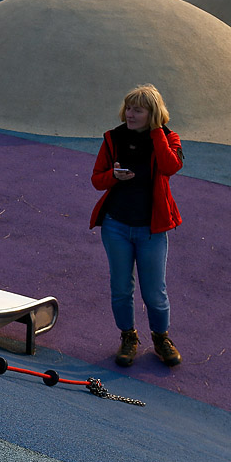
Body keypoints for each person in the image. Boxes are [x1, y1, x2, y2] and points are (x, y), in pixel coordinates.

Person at [90, 84, 184, 367]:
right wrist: (114, 177)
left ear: (152, 114)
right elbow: (96, 179)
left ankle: (160, 337)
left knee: (154, 291)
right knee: (121, 287)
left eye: (138, 110)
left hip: (151, 230)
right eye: (128, 108)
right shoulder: (113, 138)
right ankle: (128, 337)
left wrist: (156, 131)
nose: (129, 114)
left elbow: (170, 167)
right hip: (116, 225)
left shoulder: (169, 138)